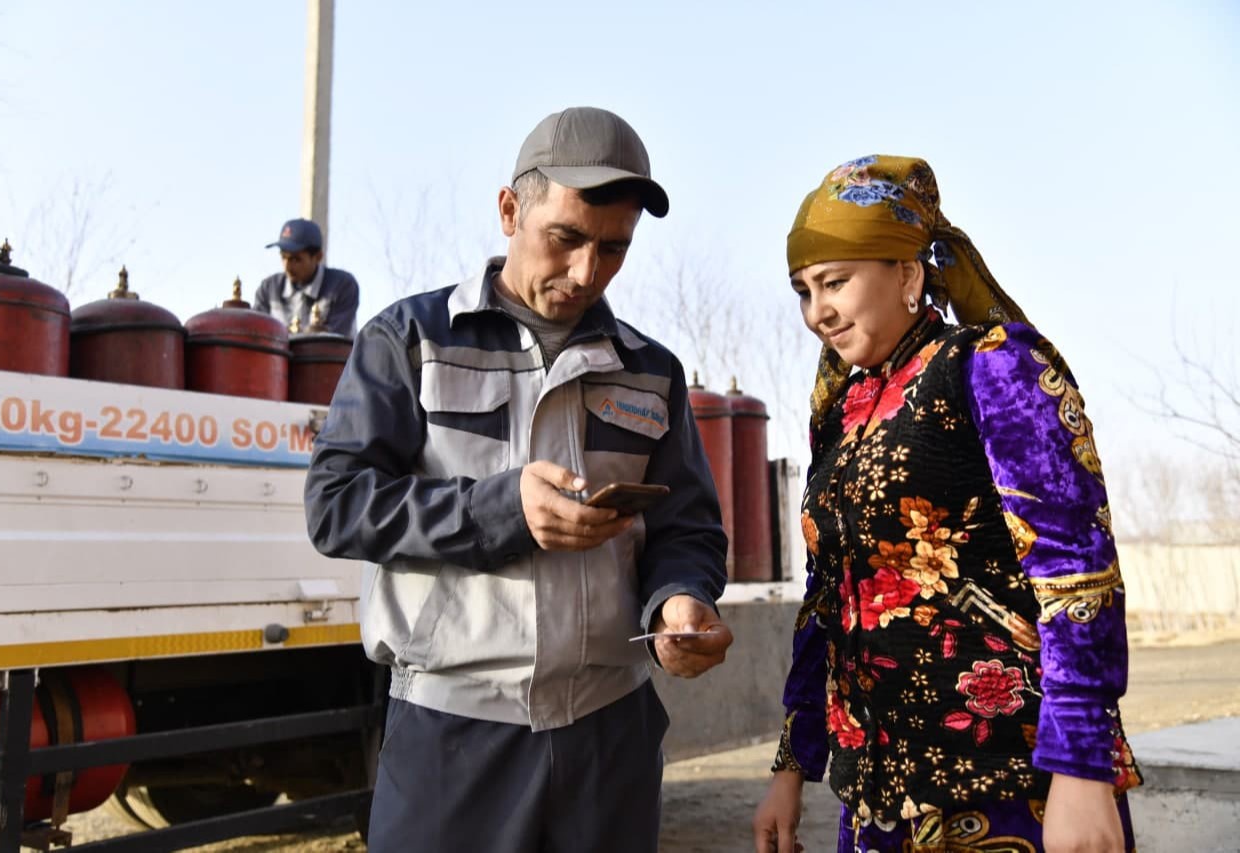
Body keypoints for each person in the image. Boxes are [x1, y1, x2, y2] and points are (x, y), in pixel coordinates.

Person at [304, 106, 733, 853]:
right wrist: (501, 509)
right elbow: (336, 505)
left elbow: (687, 527)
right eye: (565, 238)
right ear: (510, 210)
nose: (586, 272)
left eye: (614, 248)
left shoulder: (650, 370)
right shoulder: (410, 341)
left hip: (610, 740)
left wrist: (680, 598)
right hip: (452, 736)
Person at [752, 155, 1141, 853]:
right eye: (803, 291)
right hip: (875, 805)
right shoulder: (841, 414)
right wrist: (791, 764)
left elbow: (1076, 570)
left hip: (1012, 789)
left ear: (908, 274)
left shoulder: (992, 366)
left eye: (835, 282)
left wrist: (1082, 769)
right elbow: (825, 598)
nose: (817, 312)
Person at [254, 217, 360, 336]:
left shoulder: (342, 287)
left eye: (296, 259)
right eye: (283, 257)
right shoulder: (268, 289)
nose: (287, 265)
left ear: (318, 257)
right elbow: (257, 334)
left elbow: (334, 340)